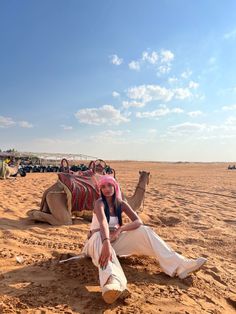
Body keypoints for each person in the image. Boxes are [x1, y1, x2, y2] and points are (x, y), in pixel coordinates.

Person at [82, 175, 207, 304]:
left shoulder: (121, 204)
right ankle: (113, 281)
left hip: (114, 241)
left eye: (109, 185)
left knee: (144, 230)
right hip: (96, 243)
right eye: (103, 187)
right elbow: (103, 223)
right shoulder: (99, 203)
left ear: (115, 186)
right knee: (98, 236)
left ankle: (180, 265)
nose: (107, 189)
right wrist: (106, 242)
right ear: (100, 190)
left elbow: (138, 221)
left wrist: (120, 229)